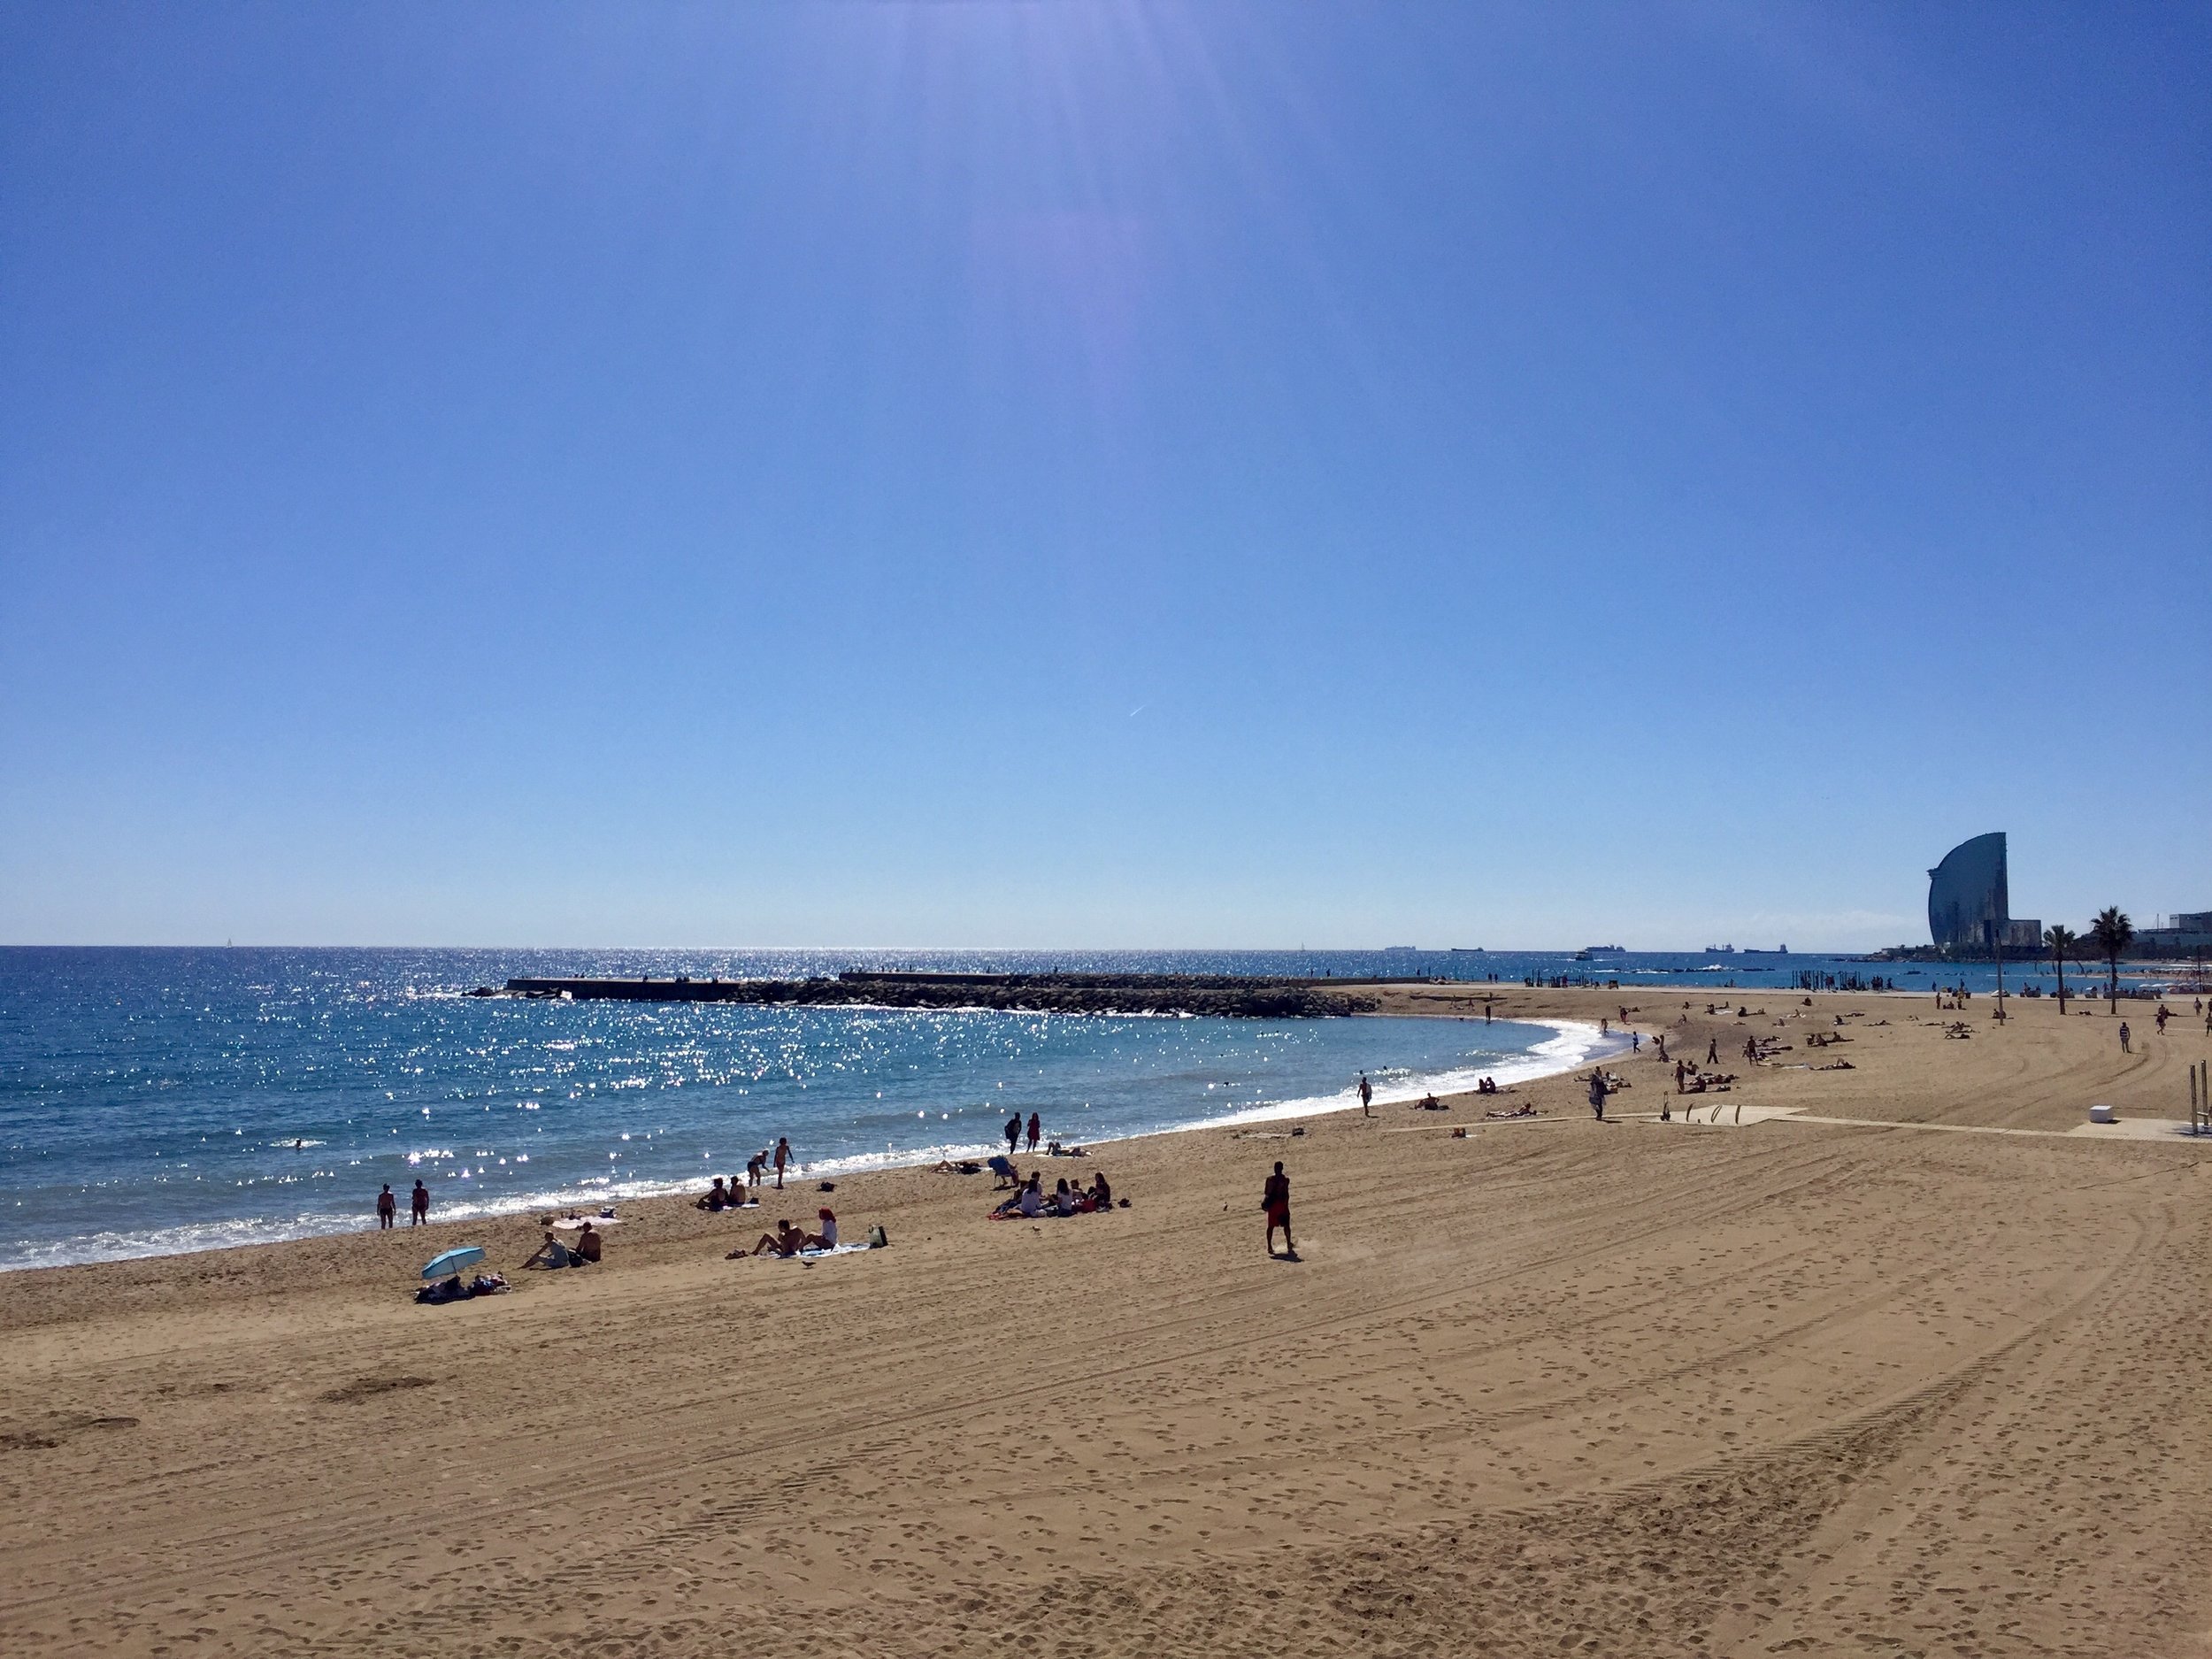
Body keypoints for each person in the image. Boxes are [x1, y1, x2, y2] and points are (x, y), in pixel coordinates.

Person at [1263, 1162, 1294, 1259]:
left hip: (1272, 1206)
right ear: (1282, 1168)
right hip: (1281, 1204)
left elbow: (1267, 1192)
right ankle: (1288, 1244)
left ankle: (1269, 1246)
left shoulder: (1270, 1180)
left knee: (1271, 1226)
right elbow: (1286, 1194)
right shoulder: (1285, 1180)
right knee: (1286, 1226)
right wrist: (1286, 1205)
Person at [737, 1218, 806, 1258]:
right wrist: (800, 1247)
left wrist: (774, 1249)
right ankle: (756, 1251)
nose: (778, 1228)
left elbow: (785, 1252)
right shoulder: (797, 1230)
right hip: (793, 1248)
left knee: (767, 1237)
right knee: (767, 1235)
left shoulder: (784, 1237)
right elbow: (804, 1239)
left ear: (782, 1227)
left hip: (787, 1250)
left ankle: (756, 1252)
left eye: (779, 1227)